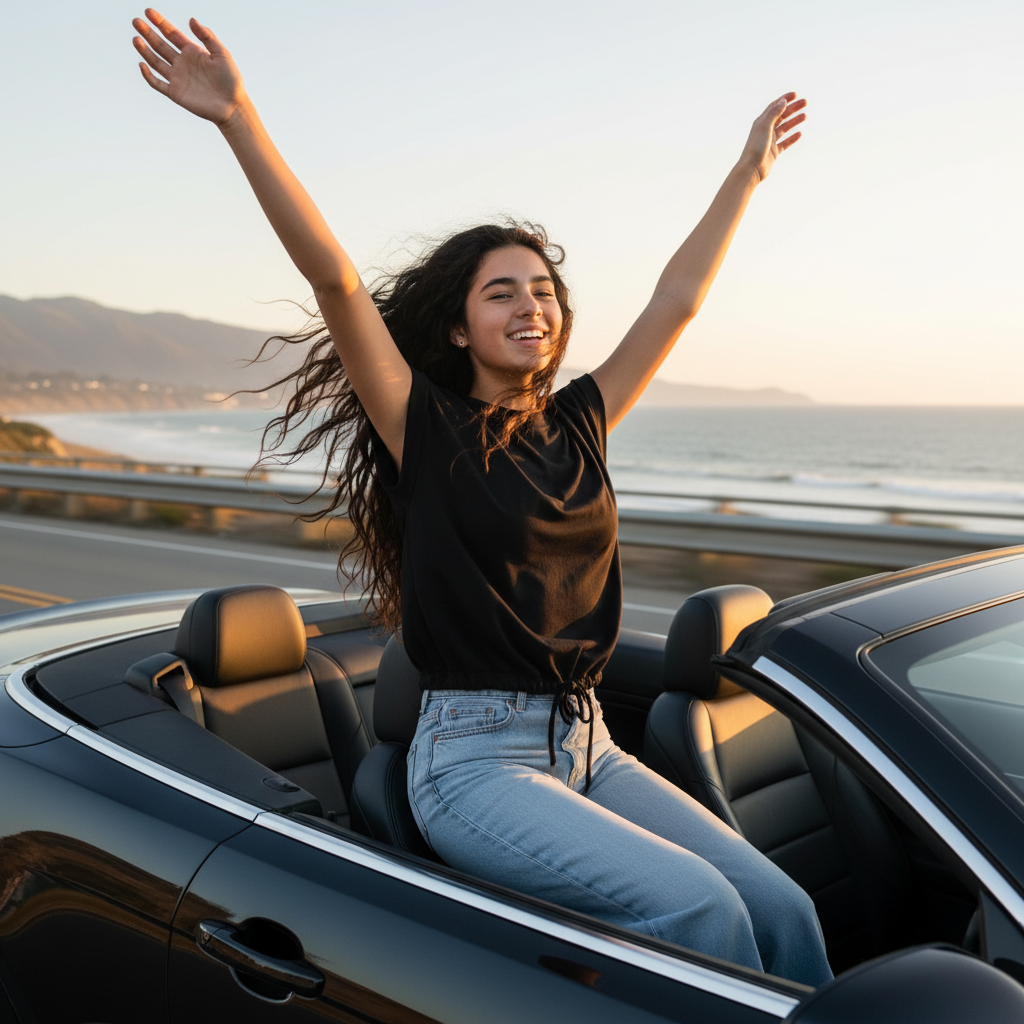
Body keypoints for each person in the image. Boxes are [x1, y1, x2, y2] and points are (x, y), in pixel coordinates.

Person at [131, 8, 832, 986]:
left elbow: (675, 299)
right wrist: (238, 117)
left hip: (588, 744)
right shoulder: (427, 427)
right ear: (459, 327)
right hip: (473, 765)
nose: (530, 304)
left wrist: (747, 174)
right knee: (699, 907)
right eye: (501, 291)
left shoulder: (581, 421)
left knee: (782, 909)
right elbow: (334, 280)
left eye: (542, 290)